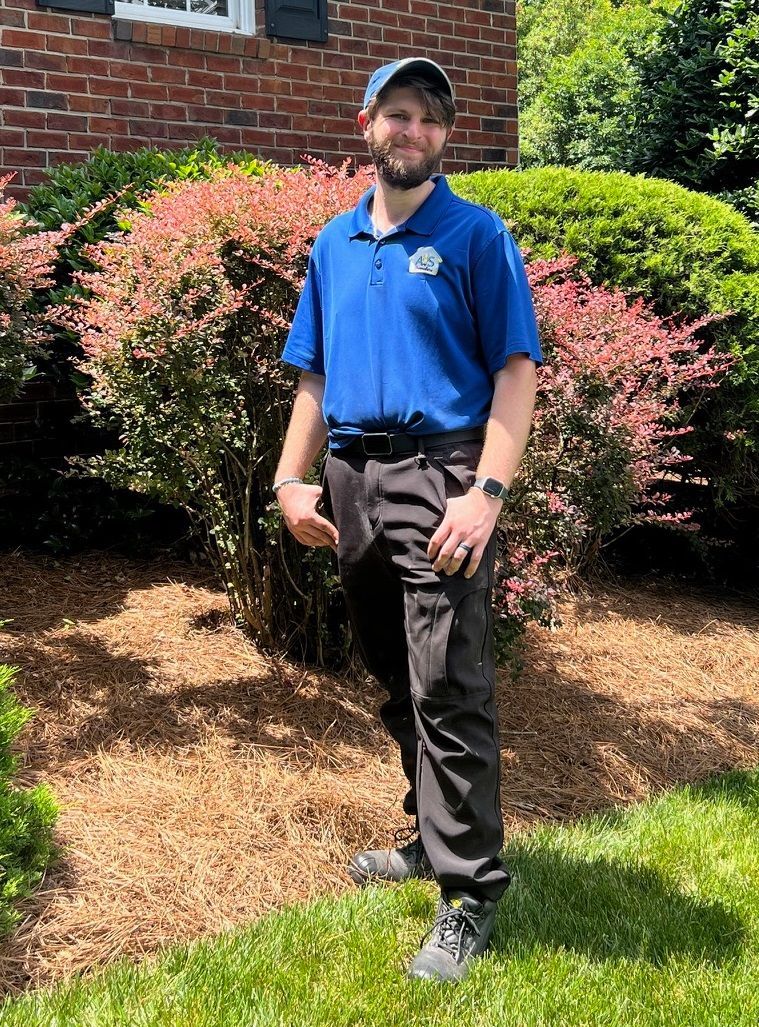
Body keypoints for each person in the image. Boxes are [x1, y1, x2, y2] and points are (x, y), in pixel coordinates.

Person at [273, 56, 542, 983]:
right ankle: (429, 838)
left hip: (442, 474)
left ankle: (469, 892)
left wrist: (485, 493)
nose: (412, 132)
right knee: (391, 666)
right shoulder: (333, 244)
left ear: (443, 138)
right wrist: (288, 479)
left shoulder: (475, 235)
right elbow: (313, 372)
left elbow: (516, 371)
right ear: (366, 126)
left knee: (447, 683)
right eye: (398, 115)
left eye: (429, 120)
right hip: (351, 476)